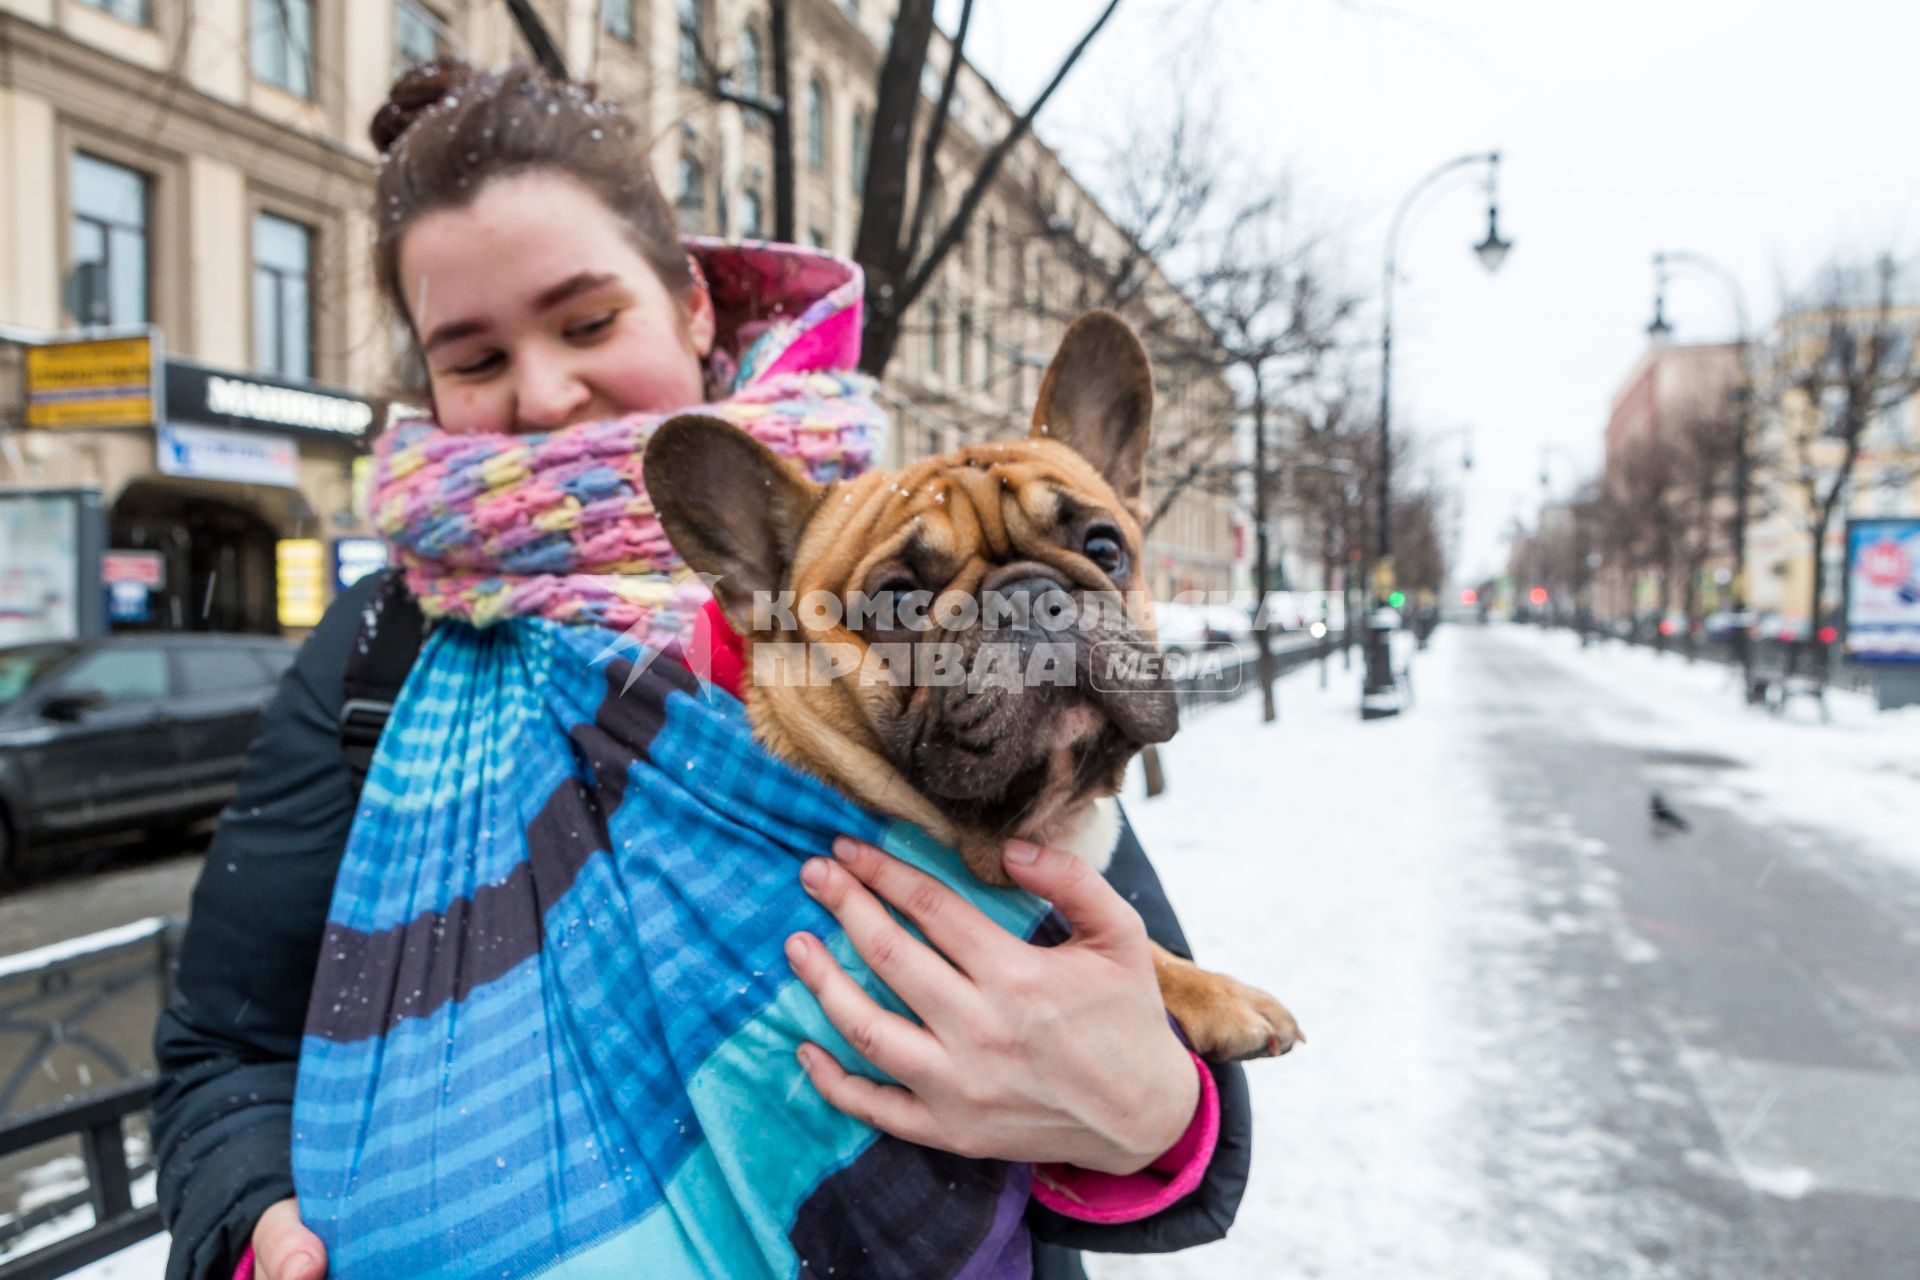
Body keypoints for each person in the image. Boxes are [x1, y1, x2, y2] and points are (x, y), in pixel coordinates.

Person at [152, 57, 1251, 1280]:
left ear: (688, 304)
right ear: (424, 378)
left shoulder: (861, 592)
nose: (546, 390)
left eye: (587, 321)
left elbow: (1147, 1029)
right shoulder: (382, 649)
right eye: (471, 357)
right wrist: (254, 1214)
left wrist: (1155, 1112)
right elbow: (222, 1052)